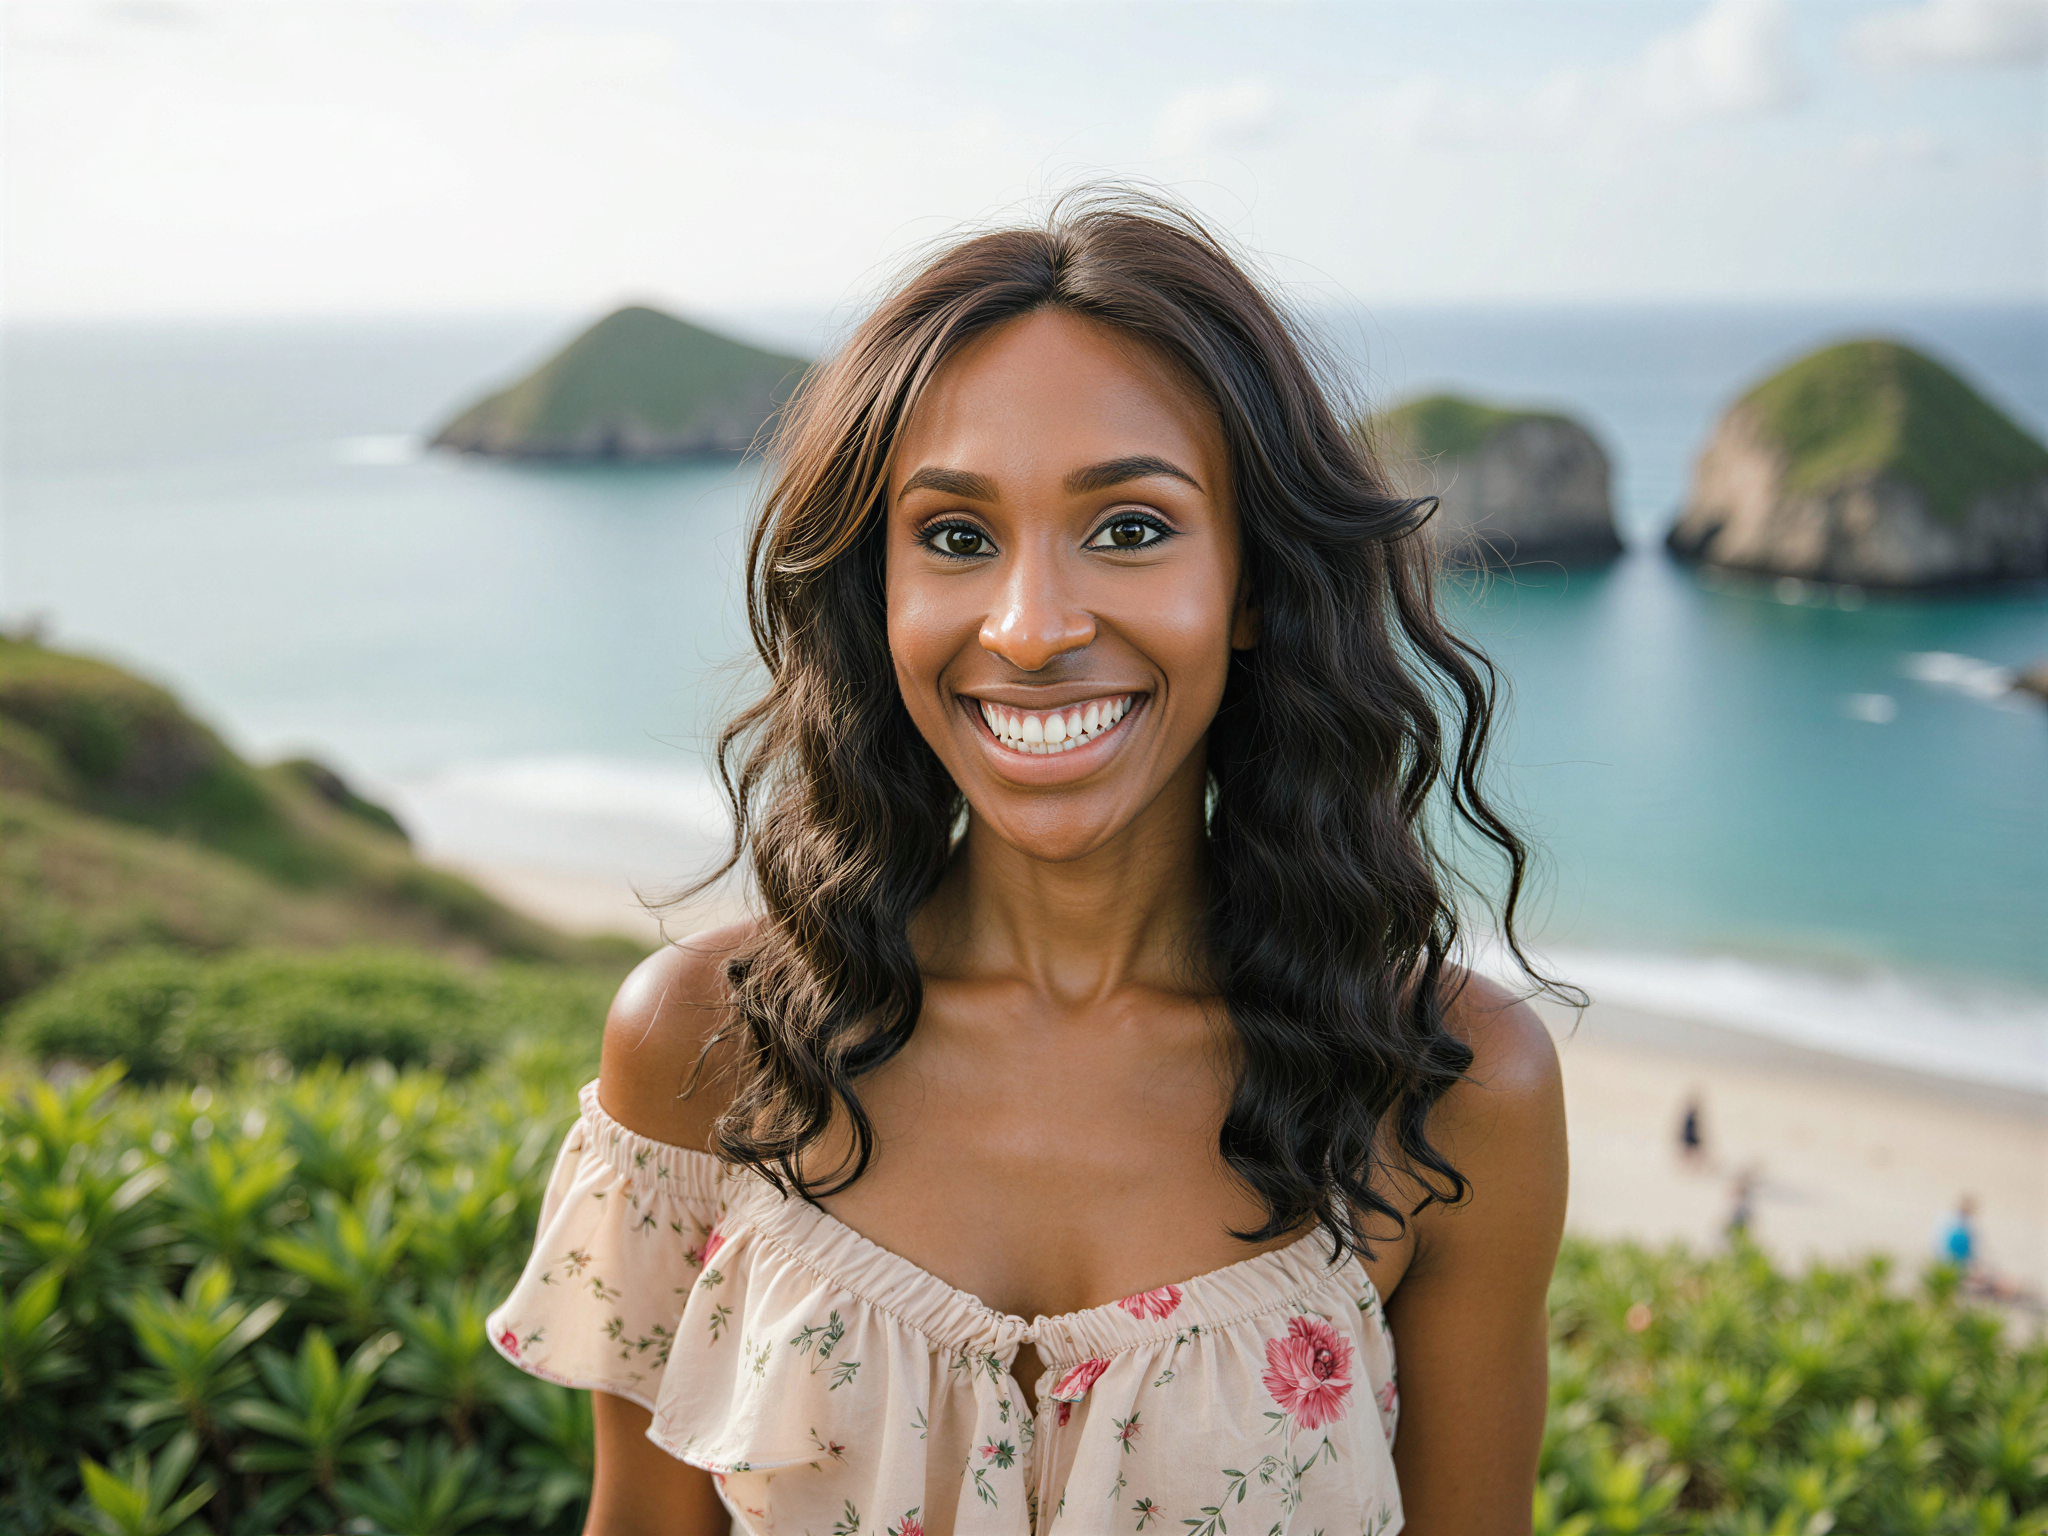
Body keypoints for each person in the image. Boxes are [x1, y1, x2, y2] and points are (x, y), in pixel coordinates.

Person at [487, 189, 1572, 1536]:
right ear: (873, 596)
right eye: (954, 537)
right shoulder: (704, 1046)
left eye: (1130, 527)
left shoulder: (1453, 1092)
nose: (1032, 626)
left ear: (1252, 587)